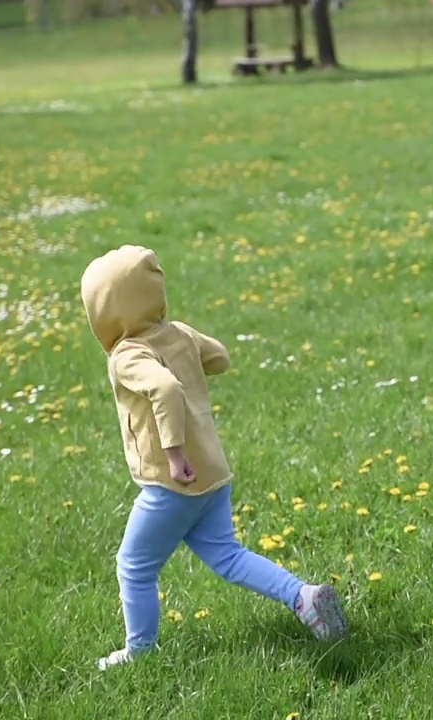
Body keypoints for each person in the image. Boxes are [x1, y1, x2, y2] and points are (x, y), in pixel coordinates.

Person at [79, 244, 348, 671]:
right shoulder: (179, 333)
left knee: (134, 567)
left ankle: (140, 651)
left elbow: (164, 389)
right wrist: (187, 356)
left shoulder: (127, 354)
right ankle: (304, 597)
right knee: (228, 556)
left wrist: (172, 454)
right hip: (214, 474)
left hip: (174, 482)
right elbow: (219, 356)